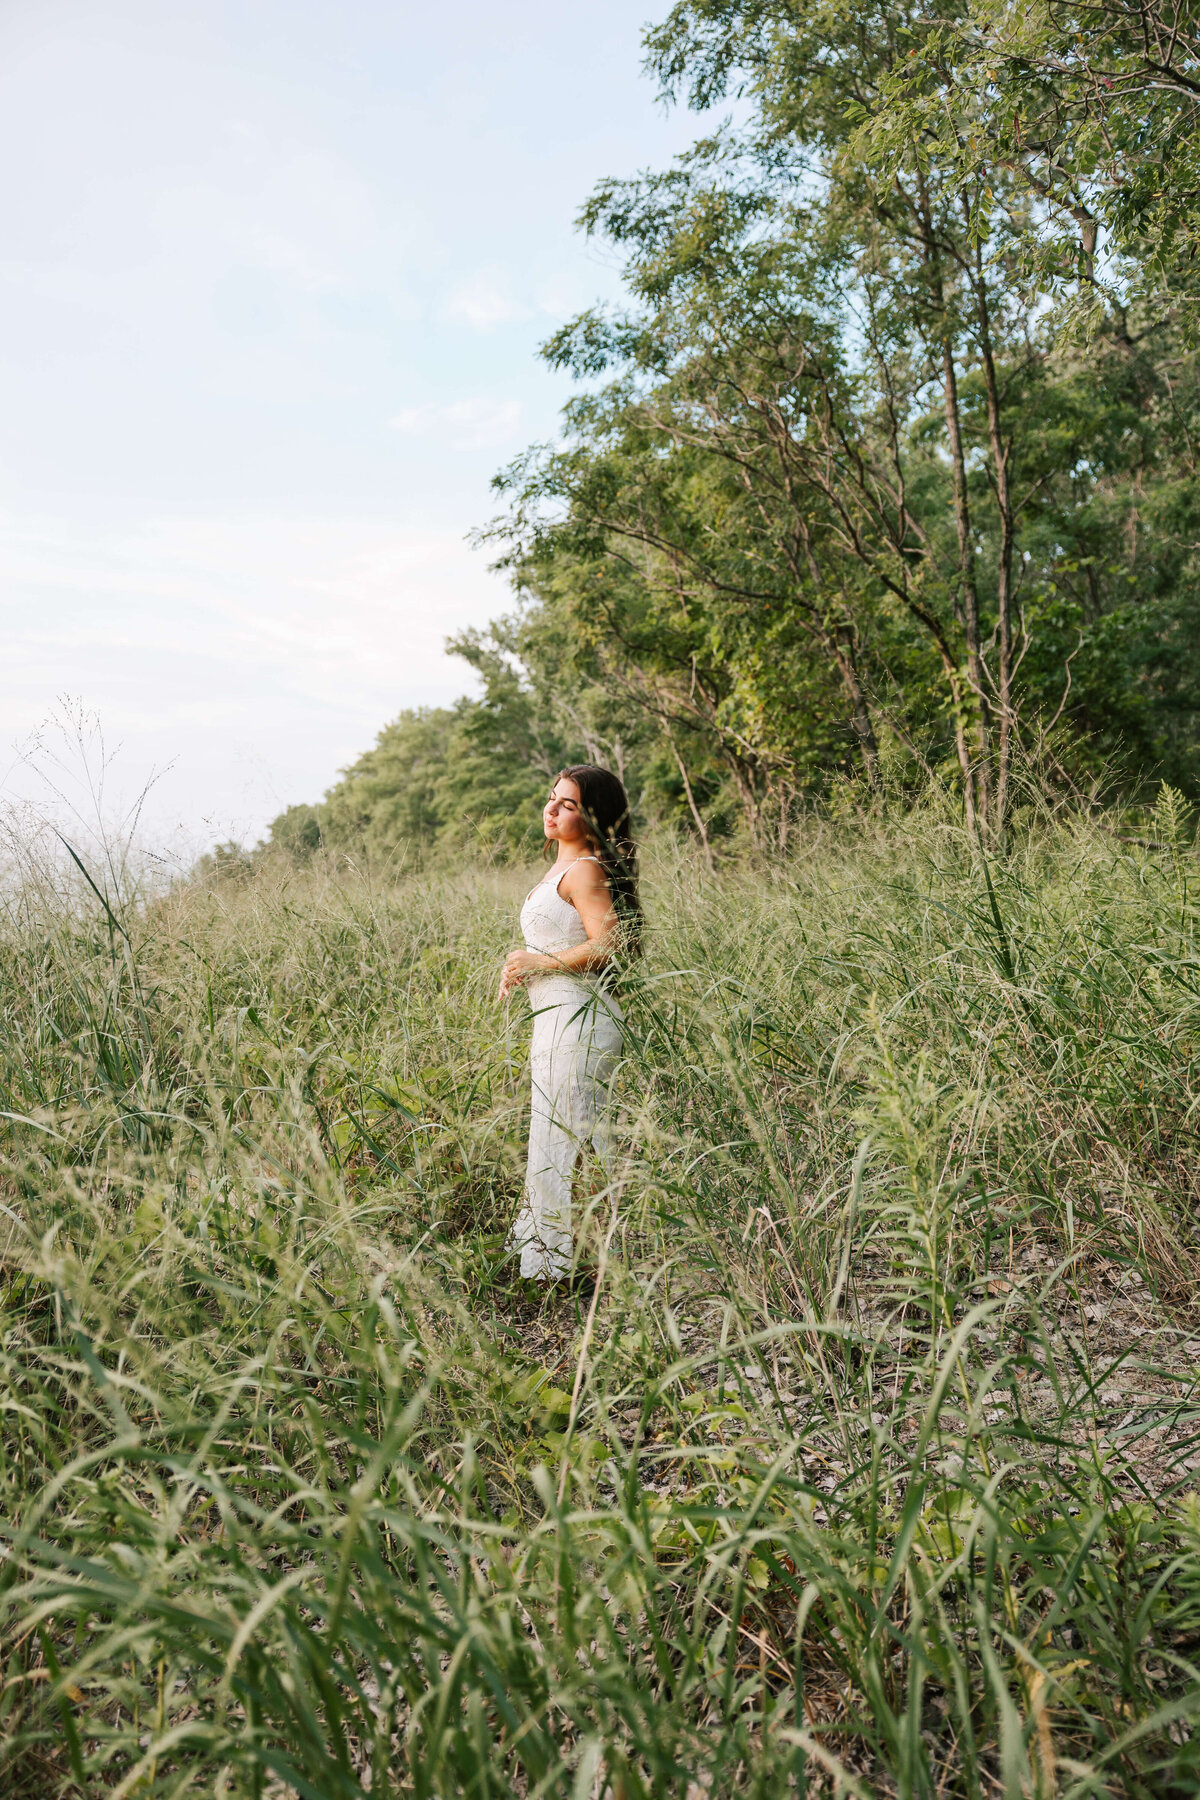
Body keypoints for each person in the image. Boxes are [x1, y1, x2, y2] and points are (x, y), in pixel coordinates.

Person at [499, 765, 642, 1283]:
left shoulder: (585, 868)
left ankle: (568, 1265)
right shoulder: (562, 868)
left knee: (574, 1138)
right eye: (552, 798)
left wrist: (539, 963)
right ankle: (566, 1254)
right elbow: (557, 940)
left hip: (580, 1020)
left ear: (593, 816)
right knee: (558, 1134)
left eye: (569, 804)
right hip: (555, 1019)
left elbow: (609, 944)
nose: (552, 808)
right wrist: (522, 966)